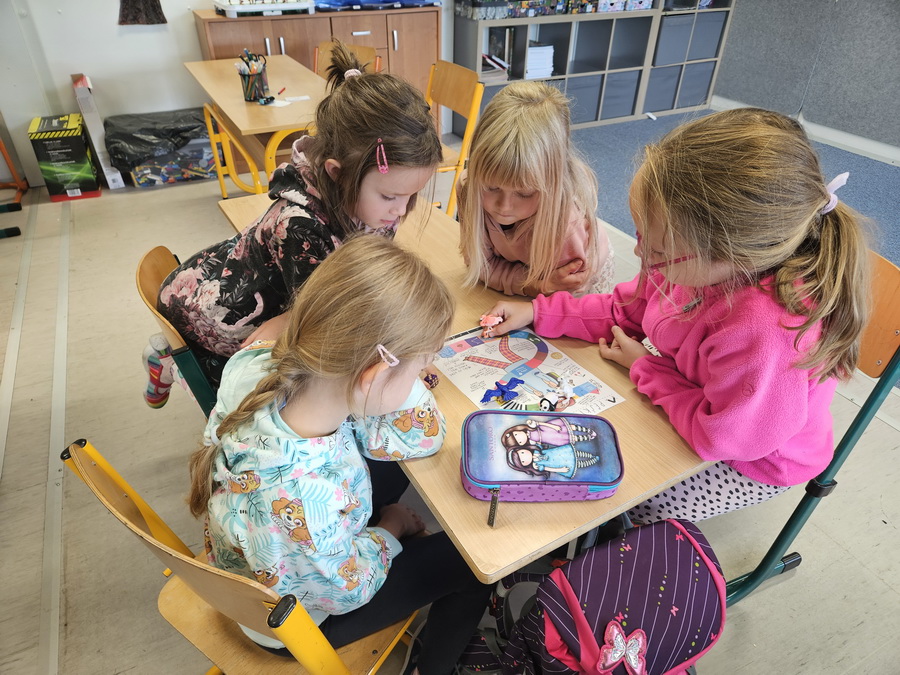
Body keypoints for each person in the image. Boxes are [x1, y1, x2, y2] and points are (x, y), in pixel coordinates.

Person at [481, 108, 870, 523]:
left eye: (657, 250)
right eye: (640, 235)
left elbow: (720, 439)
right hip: (699, 402)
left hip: (753, 460)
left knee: (618, 503)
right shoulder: (687, 259)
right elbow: (624, 309)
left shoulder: (766, 331)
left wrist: (646, 368)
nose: (640, 253)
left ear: (730, 255)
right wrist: (537, 311)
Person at [188, 236, 491, 675]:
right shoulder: (310, 496)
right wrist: (390, 528)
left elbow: (418, 439)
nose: (420, 381)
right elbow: (349, 589)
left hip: (270, 554)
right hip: (295, 623)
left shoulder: (260, 365)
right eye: (418, 371)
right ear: (374, 375)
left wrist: (396, 373)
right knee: (473, 567)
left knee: (391, 464)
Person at [157, 42, 441, 386]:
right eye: (390, 196)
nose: (401, 210)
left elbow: (361, 283)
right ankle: (167, 361)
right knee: (262, 387)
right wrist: (400, 359)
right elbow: (325, 324)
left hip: (283, 297)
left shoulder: (374, 205)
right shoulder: (298, 226)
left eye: (411, 195)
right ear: (337, 173)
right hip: (215, 316)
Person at [457, 81, 614, 299]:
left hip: (580, 287)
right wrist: (535, 285)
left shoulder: (567, 225)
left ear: (551, 184)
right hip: (530, 273)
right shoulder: (469, 188)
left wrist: (540, 286)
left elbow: (566, 298)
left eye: (524, 193)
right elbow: (479, 266)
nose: (504, 206)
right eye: (491, 187)